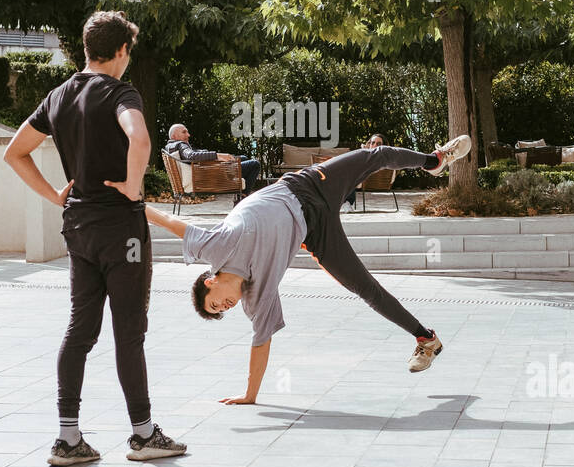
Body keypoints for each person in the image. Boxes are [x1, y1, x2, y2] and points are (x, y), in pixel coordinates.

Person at [144, 136, 473, 404]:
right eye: (220, 313)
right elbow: (260, 343)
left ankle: (435, 161)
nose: (224, 308)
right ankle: (426, 339)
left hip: (309, 186)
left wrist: (135, 205)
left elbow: (172, 222)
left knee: (376, 154)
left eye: (215, 303)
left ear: (210, 280)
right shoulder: (257, 298)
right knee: (364, 287)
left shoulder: (215, 247)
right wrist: (250, 395)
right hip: (315, 231)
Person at [3, 10, 186, 465]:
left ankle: (67, 439)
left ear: (87, 49)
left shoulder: (58, 96)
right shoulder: (121, 92)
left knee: (79, 330)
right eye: (130, 52)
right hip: (121, 227)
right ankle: (143, 435)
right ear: (121, 51)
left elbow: (14, 152)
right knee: (129, 331)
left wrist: (54, 195)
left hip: (78, 226)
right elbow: (139, 137)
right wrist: (132, 183)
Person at [164, 124, 261, 192]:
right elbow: (191, 156)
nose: (188, 135)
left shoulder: (171, 146)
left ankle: (241, 193)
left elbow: (191, 155)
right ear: (174, 136)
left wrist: (205, 152)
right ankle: (243, 197)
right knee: (255, 164)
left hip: (208, 169)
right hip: (213, 173)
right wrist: (218, 155)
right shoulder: (181, 144)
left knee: (243, 158)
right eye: (184, 132)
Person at [343, 134, 385, 211]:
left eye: (378, 144)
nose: (375, 145)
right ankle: (346, 203)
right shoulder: (367, 154)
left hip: (362, 178)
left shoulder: (382, 158)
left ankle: (347, 202)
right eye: (372, 143)